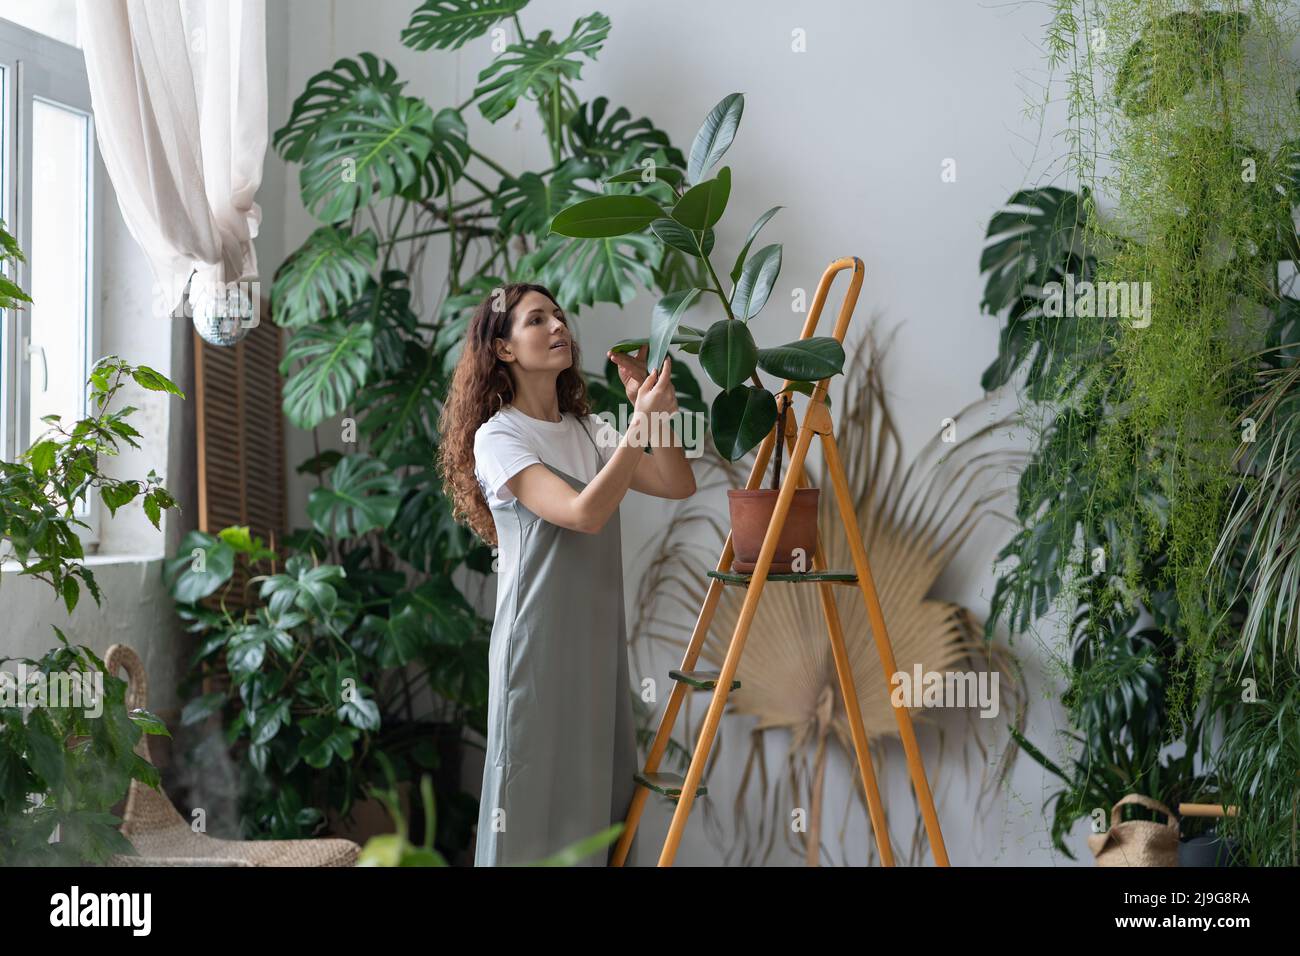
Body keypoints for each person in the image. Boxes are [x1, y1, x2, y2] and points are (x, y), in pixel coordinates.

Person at [437, 282, 696, 866]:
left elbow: (678, 484)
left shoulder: (588, 430)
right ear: (503, 349)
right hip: (536, 652)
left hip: (596, 647)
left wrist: (652, 420)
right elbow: (584, 513)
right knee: (526, 813)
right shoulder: (497, 438)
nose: (558, 327)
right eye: (536, 321)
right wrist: (636, 430)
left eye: (558, 316)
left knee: (597, 808)